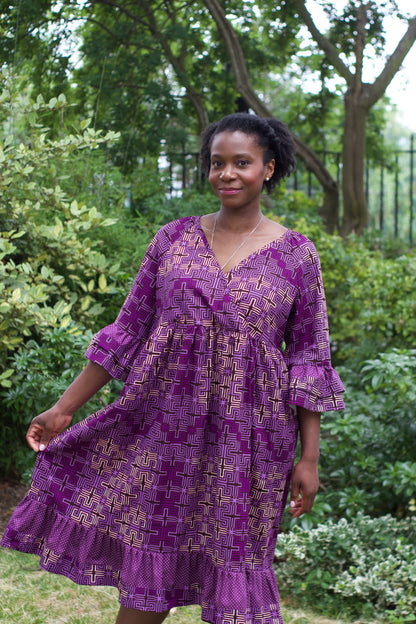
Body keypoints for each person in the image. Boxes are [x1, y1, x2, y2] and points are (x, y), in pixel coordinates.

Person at [1, 113, 344, 624]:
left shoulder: (297, 255)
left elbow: (309, 359)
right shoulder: (173, 240)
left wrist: (309, 459)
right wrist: (62, 409)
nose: (226, 173)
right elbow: (127, 331)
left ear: (268, 169)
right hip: (165, 432)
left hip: (248, 443)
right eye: (216, 163)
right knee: (147, 582)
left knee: (237, 583)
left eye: (241, 163)